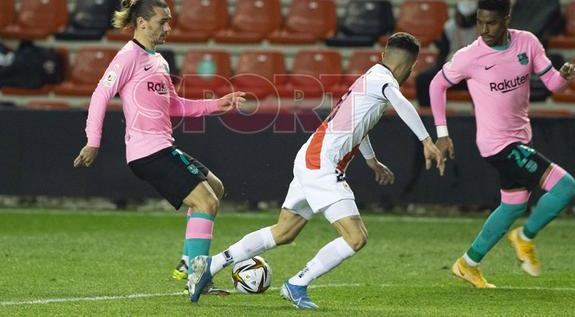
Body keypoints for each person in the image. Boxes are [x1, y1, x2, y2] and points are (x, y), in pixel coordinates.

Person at [188, 32, 446, 308]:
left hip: (311, 156)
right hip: (321, 163)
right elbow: (402, 103)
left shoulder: (371, 78)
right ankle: (297, 283)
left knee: (284, 231)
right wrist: (427, 140)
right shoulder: (383, 81)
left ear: (384, 56)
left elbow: (359, 126)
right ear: (412, 65)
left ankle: (211, 264)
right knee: (356, 237)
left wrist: (371, 160)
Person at [73, 0, 246, 294]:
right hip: (147, 151)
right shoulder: (128, 56)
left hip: (162, 147)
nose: (168, 27)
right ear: (141, 23)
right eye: (162, 21)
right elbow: (100, 95)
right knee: (206, 202)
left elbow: (175, 106)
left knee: (214, 188)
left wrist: (218, 104)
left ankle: (186, 263)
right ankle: (197, 277)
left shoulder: (158, 61)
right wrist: (93, 141)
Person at [429, 0, 575, 288]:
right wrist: (442, 133)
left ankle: (467, 263)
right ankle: (524, 238)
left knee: (512, 205)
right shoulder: (469, 55)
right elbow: (437, 85)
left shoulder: (528, 42)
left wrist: (563, 76)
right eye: (480, 22)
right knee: (565, 187)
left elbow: (552, 84)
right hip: (497, 144)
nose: (484, 30)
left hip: (521, 138)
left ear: (507, 21)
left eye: (492, 23)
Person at [415, 0, 482, 107]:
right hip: (455, 74)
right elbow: (442, 55)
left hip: (478, 75)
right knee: (423, 79)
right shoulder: (450, 26)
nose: (466, 1)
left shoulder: (487, 26)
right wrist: (447, 63)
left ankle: (483, 123)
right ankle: (429, 121)